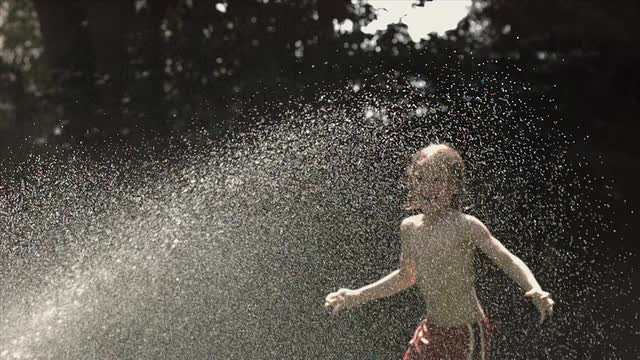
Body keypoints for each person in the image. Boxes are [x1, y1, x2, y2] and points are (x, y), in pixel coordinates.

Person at [324, 144, 555, 359]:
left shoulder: (465, 225)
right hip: (430, 331)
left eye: (437, 179)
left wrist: (533, 287)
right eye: (421, 179)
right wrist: (357, 295)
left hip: (466, 333)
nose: (428, 187)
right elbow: (406, 276)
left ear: (454, 186)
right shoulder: (410, 228)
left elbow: (506, 259)